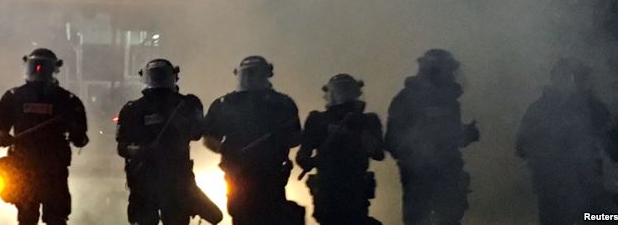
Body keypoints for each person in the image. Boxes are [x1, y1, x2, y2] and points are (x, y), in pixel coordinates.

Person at [116, 58, 220, 225]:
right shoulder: (186, 104)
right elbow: (197, 133)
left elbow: (122, 147)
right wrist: (143, 150)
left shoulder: (133, 109)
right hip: (163, 182)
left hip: (159, 182)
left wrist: (139, 150)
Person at [0, 48, 88, 225]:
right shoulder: (68, 100)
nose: (38, 71)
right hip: (50, 167)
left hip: (32, 166)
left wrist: (3, 137)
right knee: (54, 217)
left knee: (29, 217)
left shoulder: (13, 97)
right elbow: (80, 139)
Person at [203, 55, 303, 225]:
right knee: (242, 215)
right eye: (246, 73)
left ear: (266, 74)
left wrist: (279, 140)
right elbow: (208, 138)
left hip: (271, 174)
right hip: (238, 174)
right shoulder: (224, 104)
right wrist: (225, 150)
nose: (249, 77)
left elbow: (295, 137)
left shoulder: (282, 103)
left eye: (254, 73)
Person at [385, 49, 480, 225]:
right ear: (434, 70)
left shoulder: (449, 101)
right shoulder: (406, 99)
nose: (451, 75)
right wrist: (416, 154)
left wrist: (464, 135)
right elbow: (392, 141)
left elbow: (450, 137)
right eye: (447, 70)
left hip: (448, 174)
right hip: (419, 178)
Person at [518, 58, 614, 224]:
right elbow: (522, 146)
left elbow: (611, 143)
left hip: (577, 188)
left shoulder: (592, 108)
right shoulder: (540, 110)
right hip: (561, 189)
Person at [296, 74, 384, 225]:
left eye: (347, 90)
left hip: (355, 187)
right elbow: (303, 156)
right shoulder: (317, 120)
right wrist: (312, 160)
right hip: (328, 189)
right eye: (339, 90)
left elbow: (377, 153)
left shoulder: (367, 120)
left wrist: (355, 133)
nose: (342, 95)